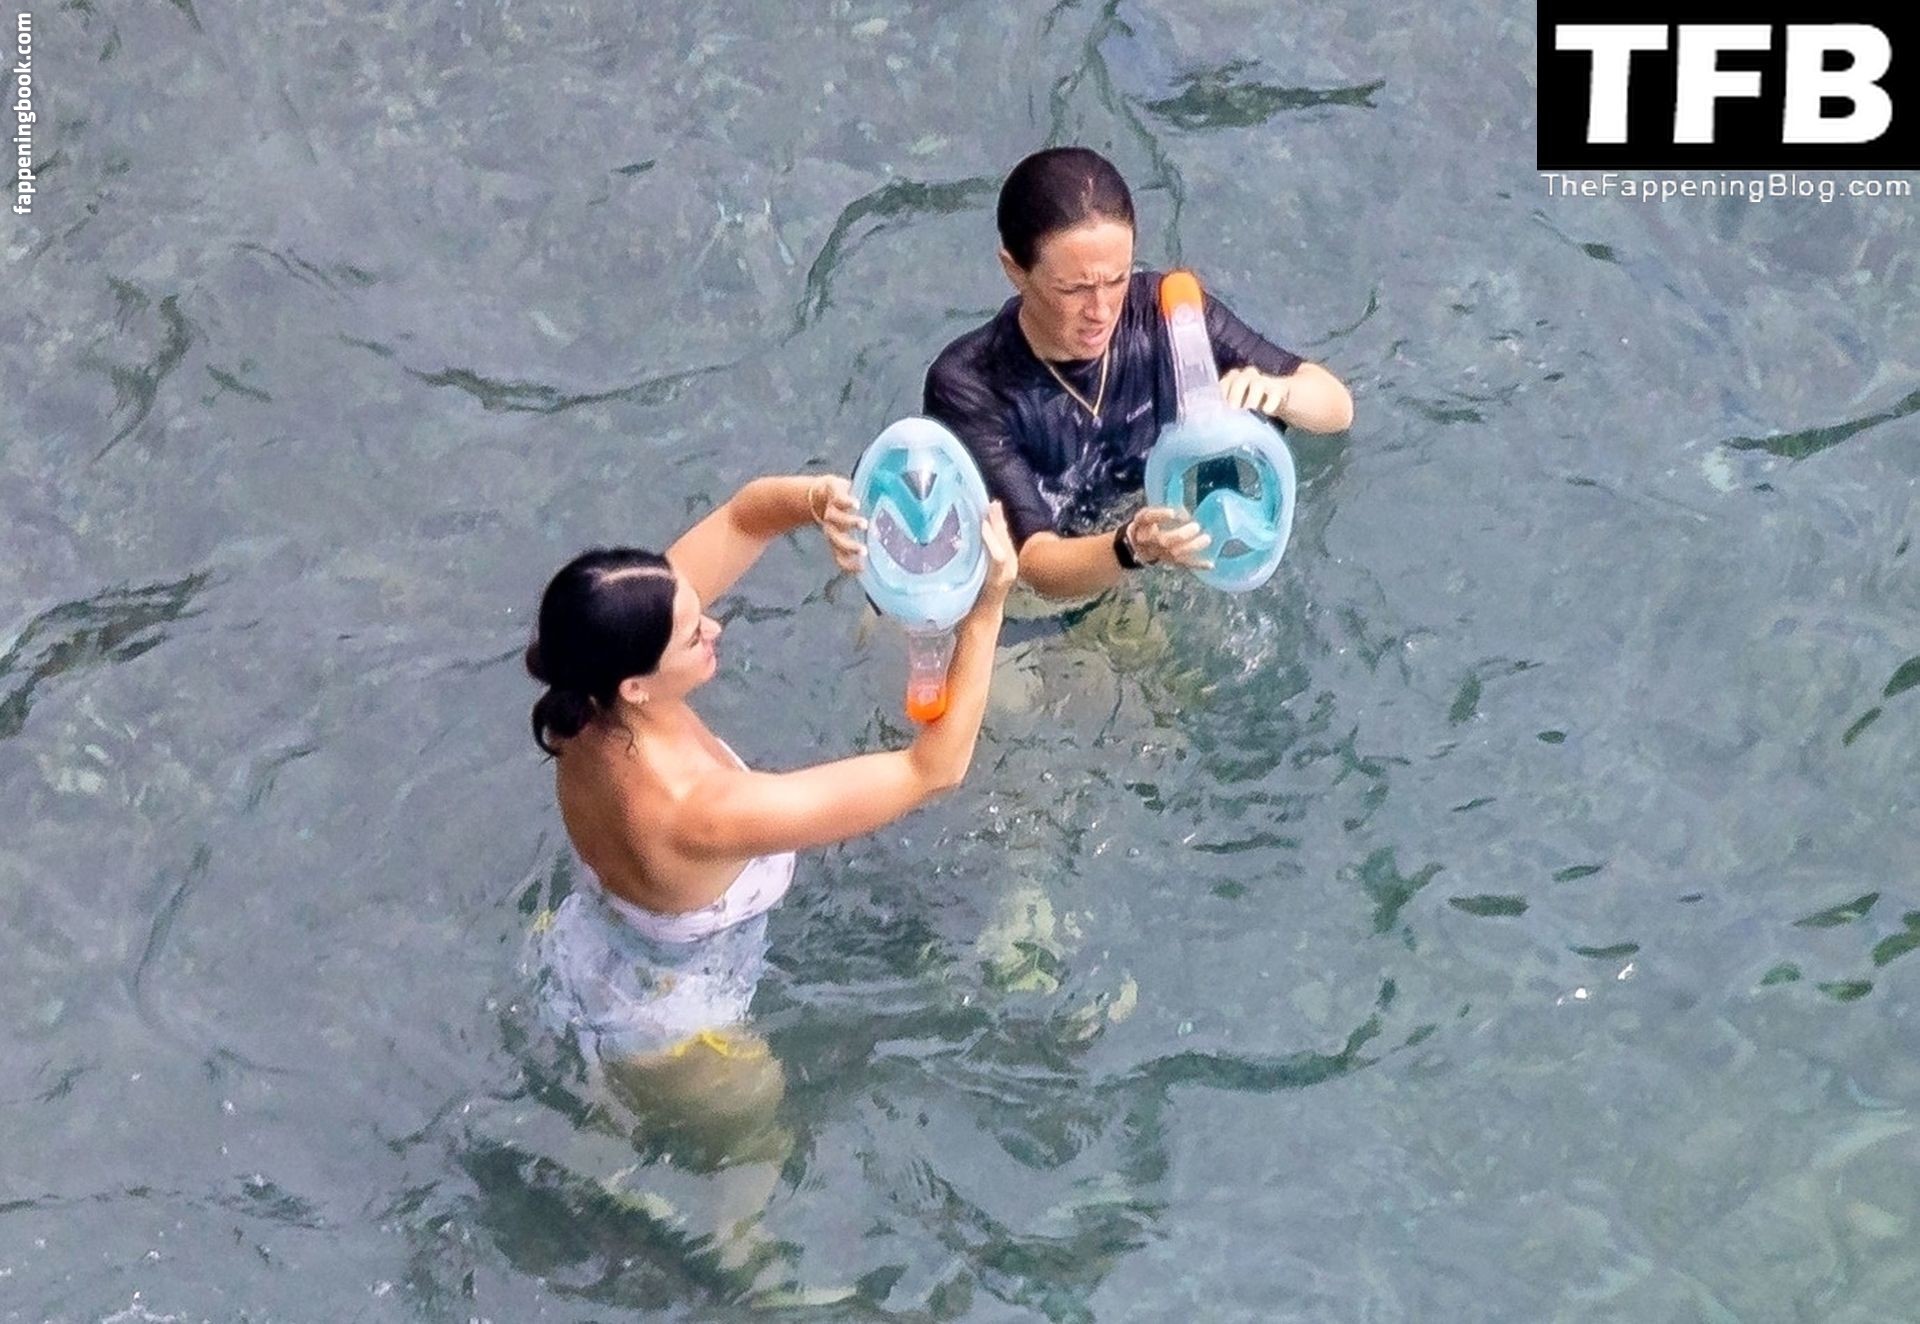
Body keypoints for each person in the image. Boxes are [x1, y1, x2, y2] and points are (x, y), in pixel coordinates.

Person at [521, 473, 1015, 1257]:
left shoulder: (585, 699)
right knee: (759, 1151)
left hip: (583, 951)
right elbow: (934, 769)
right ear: (637, 686)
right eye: (693, 635)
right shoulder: (699, 809)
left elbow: (747, 516)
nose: (713, 625)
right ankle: (740, 1258)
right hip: (680, 1031)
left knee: (619, 1127)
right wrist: (987, 610)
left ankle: (605, 1159)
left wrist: (821, 501)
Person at [924, 146, 1354, 600]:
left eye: (1117, 279)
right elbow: (1035, 564)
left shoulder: (1169, 315)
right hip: (1044, 591)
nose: (1101, 310)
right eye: (1073, 289)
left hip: (1155, 537)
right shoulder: (971, 383)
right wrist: (1131, 547)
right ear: (1015, 271)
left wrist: (1279, 392)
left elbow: (1337, 408)